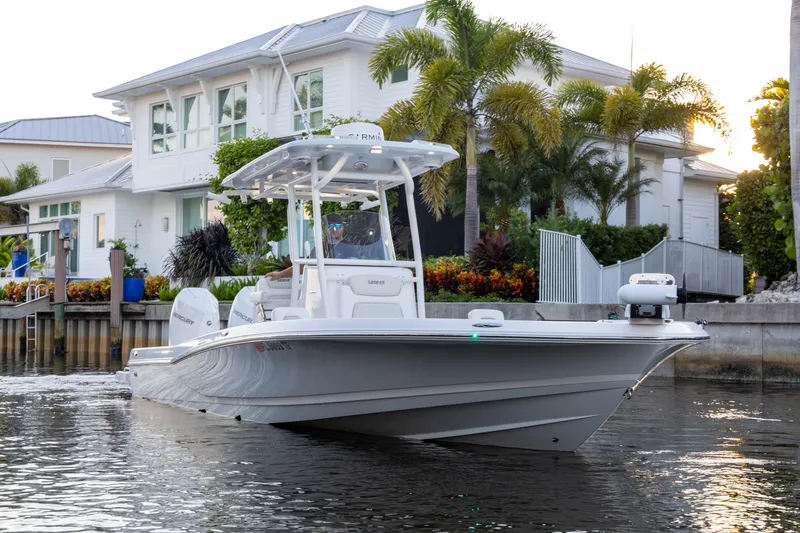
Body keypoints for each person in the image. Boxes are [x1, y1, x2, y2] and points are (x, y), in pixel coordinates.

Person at [265, 213, 362, 279]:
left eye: (337, 226)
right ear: (325, 229)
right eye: (331, 227)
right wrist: (280, 274)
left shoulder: (350, 248)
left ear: (342, 228)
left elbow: (356, 272)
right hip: (321, 288)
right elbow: (305, 266)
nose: (334, 230)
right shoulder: (320, 248)